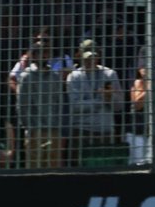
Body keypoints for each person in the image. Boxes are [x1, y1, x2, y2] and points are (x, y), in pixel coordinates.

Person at [64, 49, 123, 165]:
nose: (90, 61)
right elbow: (75, 106)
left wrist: (110, 97)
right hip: (82, 131)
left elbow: (119, 106)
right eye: (87, 59)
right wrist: (100, 101)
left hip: (105, 131)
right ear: (80, 57)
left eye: (93, 57)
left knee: (106, 170)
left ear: (98, 57)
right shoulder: (74, 76)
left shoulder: (110, 74)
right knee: (79, 170)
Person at [14, 40, 65, 168]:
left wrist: (59, 127)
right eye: (41, 53)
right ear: (34, 56)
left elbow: (60, 102)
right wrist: (29, 127)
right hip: (34, 130)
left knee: (54, 167)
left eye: (47, 53)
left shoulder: (55, 76)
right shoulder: (26, 76)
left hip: (53, 129)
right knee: (34, 167)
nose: (45, 56)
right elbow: (22, 105)